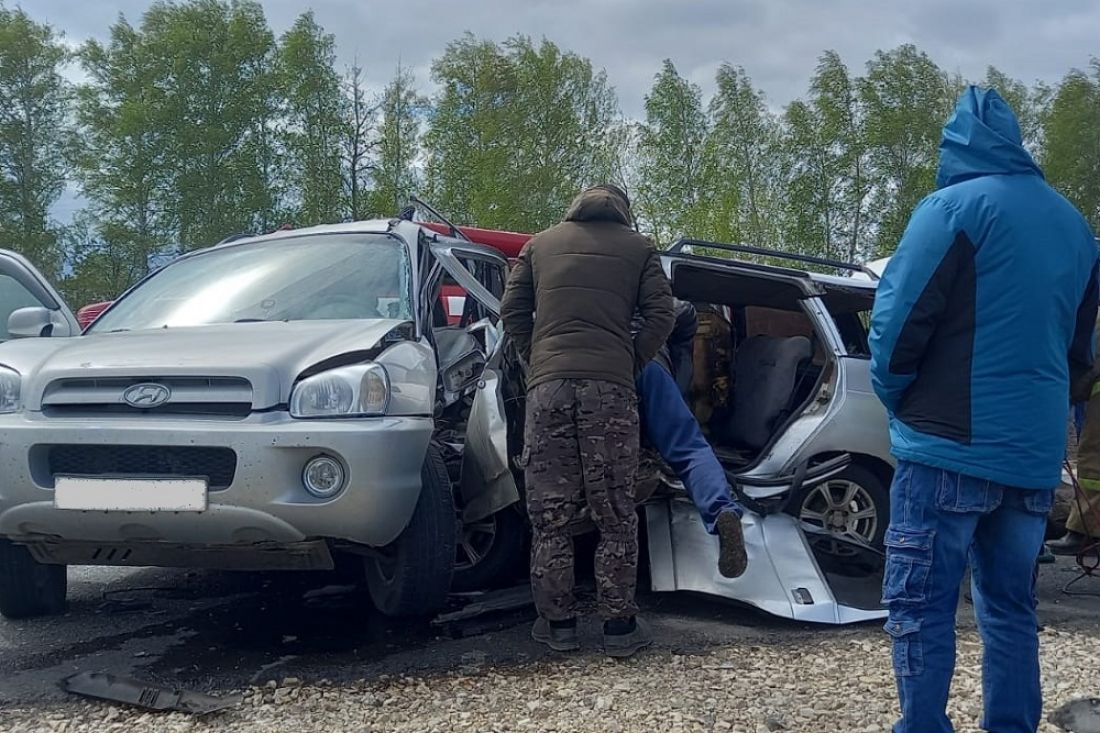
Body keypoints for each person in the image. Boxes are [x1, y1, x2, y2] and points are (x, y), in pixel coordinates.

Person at [869, 86, 1098, 733]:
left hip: (943, 446)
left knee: (920, 605)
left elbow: (895, 328)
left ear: (953, 147)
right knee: (1010, 608)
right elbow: (1083, 353)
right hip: (1029, 459)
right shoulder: (1074, 226)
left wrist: (900, 404)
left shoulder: (950, 210)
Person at [500, 184, 674, 658]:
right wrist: (629, 360)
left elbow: (511, 310)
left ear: (574, 206)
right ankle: (618, 629)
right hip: (610, 390)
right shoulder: (640, 248)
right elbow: (664, 313)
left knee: (550, 514)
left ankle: (558, 625)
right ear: (623, 210)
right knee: (615, 510)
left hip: (548, 388)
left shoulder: (540, 244)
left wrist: (535, 358)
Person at [635, 298, 748, 578]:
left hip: (591, 372)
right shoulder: (643, 276)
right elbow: (683, 311)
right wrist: (679, 383)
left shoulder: (577, 289)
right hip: (650, 365)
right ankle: (722, 511)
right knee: (689, 449)